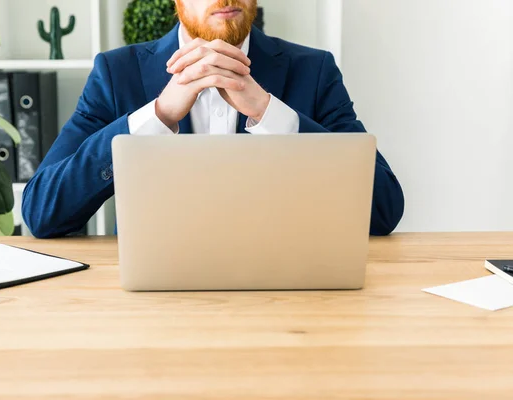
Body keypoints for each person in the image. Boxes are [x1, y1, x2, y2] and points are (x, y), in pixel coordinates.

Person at [21, 0, 405, 239]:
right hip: (155, 307)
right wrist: (158, 115)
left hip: (288, 300)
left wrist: (269, 112)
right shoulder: (117, 72)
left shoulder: (314, 70)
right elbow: (42, 211)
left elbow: (383, 210)